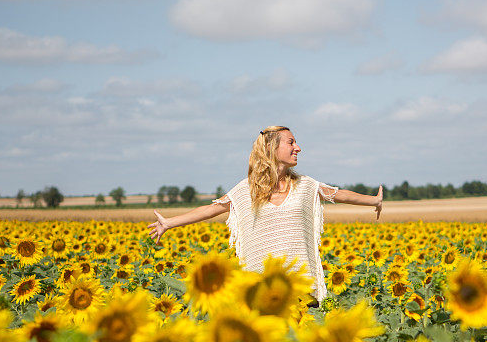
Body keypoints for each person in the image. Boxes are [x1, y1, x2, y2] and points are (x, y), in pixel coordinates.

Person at [147, 125, 383, 305]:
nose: (298, 148)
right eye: (291, 142)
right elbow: (211, 209)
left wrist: (374, 200)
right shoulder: (246, 190)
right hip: (261, 293)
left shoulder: (306, 186)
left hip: (301, 290)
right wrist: (169, 223)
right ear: (273, 147)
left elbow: (339, 194)